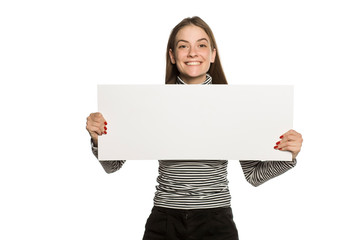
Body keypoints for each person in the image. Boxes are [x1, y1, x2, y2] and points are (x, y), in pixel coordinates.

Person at [86, 16, 303, 240]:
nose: (192, 53)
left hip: (216, 223)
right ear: (172, 55)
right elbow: (112, 165)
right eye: (183, 46)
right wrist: (98, 139)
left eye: (201, 45)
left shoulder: (234, 104)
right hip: (164, 221)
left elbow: (254, 176)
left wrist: (288, 155)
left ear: (212, 54)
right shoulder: (149, 103)